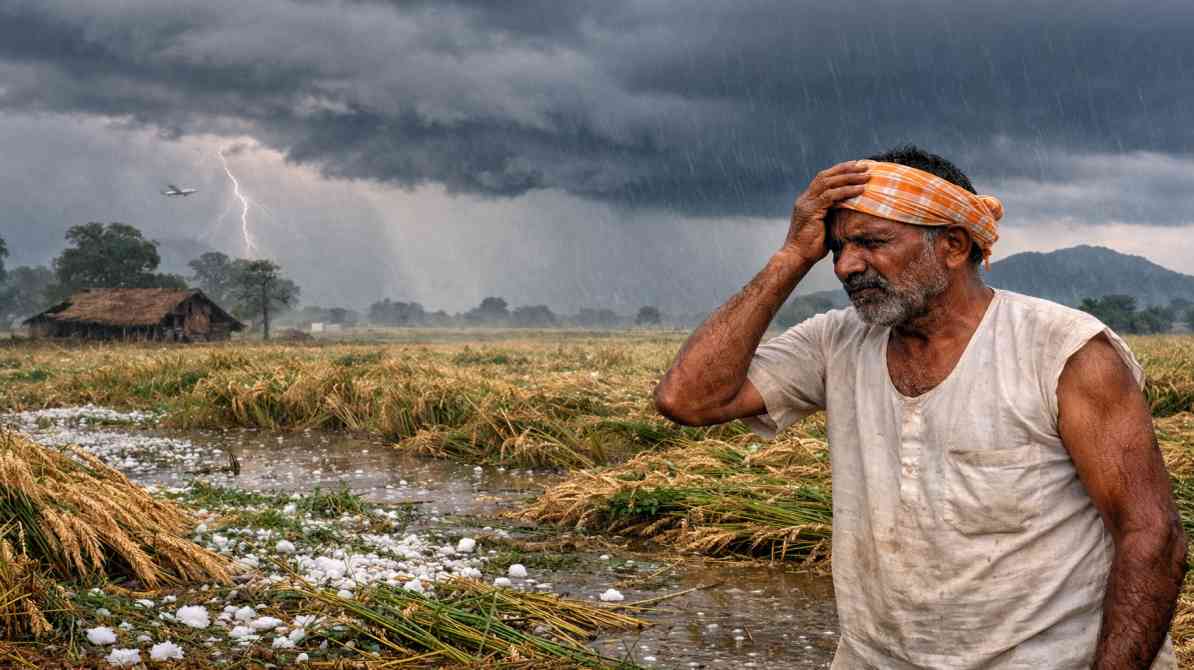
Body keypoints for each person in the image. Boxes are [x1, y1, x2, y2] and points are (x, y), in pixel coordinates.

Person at [653, 145, 1187, 669]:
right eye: (836, 247)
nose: (844, 266)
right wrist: (791, 255)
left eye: (871, 242)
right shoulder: (837, 342)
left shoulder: (1062, 352)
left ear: (953, 246)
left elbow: (1150, 535)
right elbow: (689, 398)